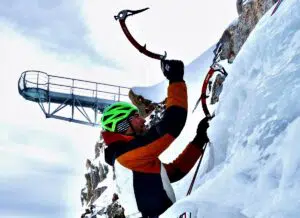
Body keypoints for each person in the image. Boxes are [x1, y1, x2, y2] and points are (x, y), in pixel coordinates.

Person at [100, 59, 210, 218]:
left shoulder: (129, 159)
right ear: (122, 125)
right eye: (136, 117)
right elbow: (172, 124)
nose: (143, 120)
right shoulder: (128, 155)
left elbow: (173, 172)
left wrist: (199, 140)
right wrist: (175, 80)